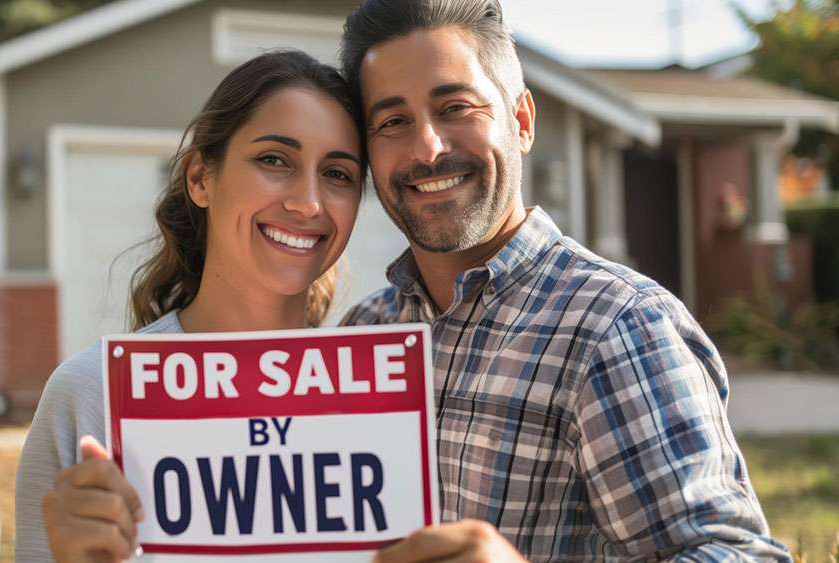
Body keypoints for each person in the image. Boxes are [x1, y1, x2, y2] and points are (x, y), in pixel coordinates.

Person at [336, 1, 791, 561]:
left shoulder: (616, 327)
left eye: (455, 106)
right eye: (392, 122)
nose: (427, 147)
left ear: (522, 121)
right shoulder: (364, 331)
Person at [13, 50, 365, 562]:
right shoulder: (90, 394)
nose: (309, 202)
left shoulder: (378, 394)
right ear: (200, 177)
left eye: (337, 173)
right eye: (274, 160)